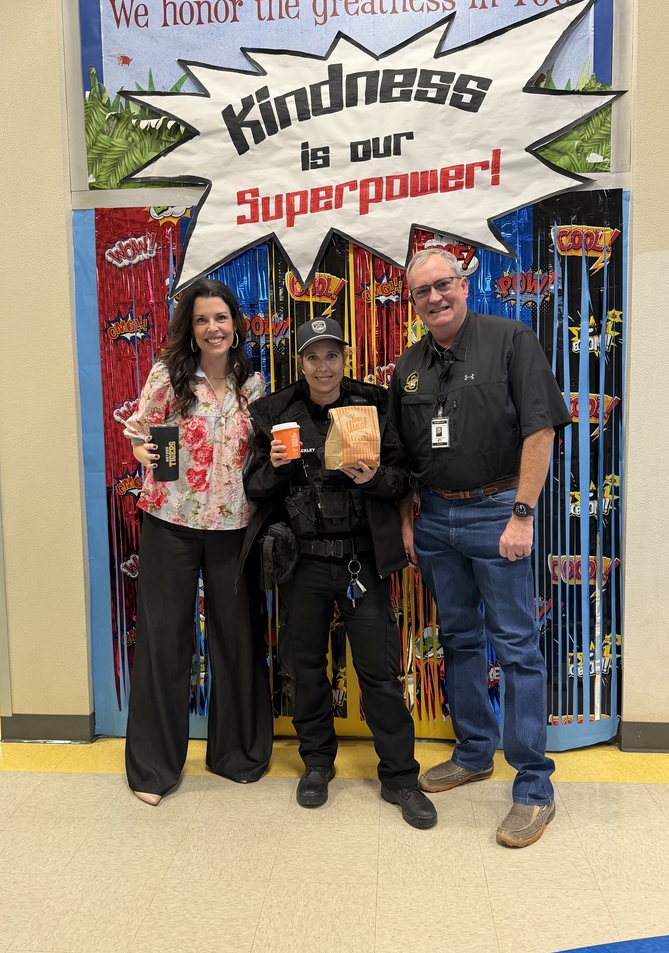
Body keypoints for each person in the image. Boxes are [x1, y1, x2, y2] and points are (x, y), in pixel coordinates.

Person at [388, 248, 571, 847]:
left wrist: (522, 514)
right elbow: (401, 455)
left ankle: (534, 788)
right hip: (436, 518)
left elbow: (540, 430)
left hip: (499, 514)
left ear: (464, 285)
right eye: (422, 291)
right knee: (460, 639)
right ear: (410, 301)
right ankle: (473, 752)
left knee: (517, 648)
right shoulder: (408, 367)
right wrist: (411, 520)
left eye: (444, 285)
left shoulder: (511, 339)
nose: (435, 298)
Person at [243, 317, 437, 829]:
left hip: (361, 559)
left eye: (332, 355)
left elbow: (404, 477)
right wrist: (278, 468)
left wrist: (375, 478)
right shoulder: (275, 413)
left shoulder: (372, 403)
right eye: (313, 356)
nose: (323, 366)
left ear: (344, 358)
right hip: (302, 560)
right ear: (299, 362)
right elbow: (254, 487)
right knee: (304, 665)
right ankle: (316, 763)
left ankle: (400, 777)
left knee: (378, 670)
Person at [122, 278, 273, 805]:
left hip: (235, 527)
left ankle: (238, 754)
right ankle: (153, 768)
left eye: (222, 318)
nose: (213, 328)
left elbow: (262, 446)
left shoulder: (251, 383)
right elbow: (140, 430)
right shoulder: (169, 376)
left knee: (237, 639)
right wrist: (144, 453)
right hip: (171, 522)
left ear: (236, 324)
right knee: (165, 640)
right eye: (203, 319)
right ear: (190, 327)